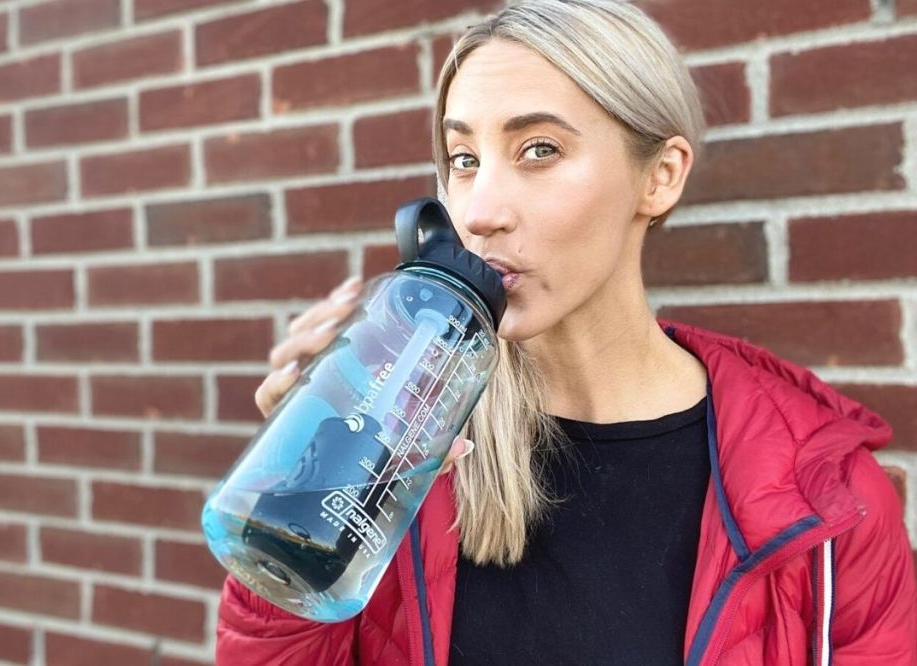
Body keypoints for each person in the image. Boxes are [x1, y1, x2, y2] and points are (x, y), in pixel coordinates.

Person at [215, 1, 917, 663]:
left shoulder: (825, 500)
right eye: (465, 160)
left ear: (660, 177)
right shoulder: (398, 447)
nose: (480, 210)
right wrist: (300, 492)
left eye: (540, 149)